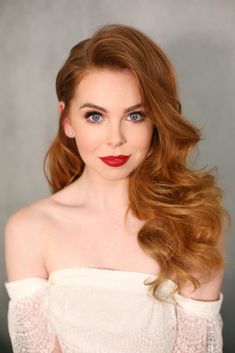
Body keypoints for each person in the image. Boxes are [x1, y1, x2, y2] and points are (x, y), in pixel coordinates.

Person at [4, 23, 231, 353]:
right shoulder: (27, 230)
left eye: (135, 115)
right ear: (67, 120)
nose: (116, 138)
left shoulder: (195, 228)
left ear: (157, 121)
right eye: (95, 116)